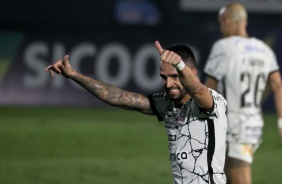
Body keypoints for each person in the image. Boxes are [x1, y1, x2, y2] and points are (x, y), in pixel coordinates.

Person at [45, 40, 228, 184]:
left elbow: (198, 90)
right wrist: (74, 75)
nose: (168, 84)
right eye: (164, 77)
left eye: (175, 77)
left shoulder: (212, 102)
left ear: (192, 73)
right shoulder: (168, 105)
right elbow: (120, 97)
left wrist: (180, 65)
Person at [204, 3, 282, 184]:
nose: (221, 27)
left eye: (221, 22)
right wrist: (280, 123)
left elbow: (209, 88)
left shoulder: (223, 47)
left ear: (228, 21)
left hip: (232, 126)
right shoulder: (264, 49)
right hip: (253, 126)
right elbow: (278, 85)